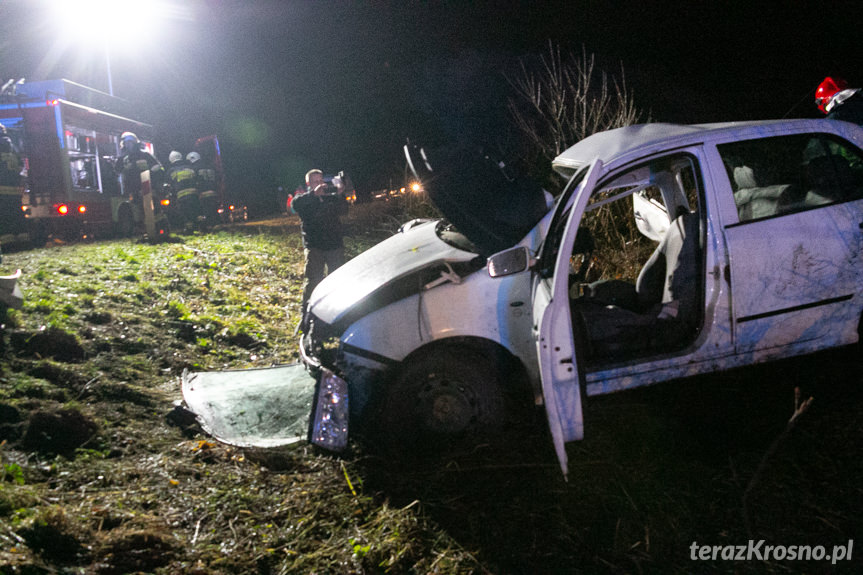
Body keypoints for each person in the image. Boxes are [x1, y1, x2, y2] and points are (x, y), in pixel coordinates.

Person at [291, 169, 349, 329]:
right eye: (315, 182)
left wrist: (340, 193)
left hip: (334, 245)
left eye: (321, 181)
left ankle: (338, 317)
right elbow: (295, 205)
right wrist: (314, 195)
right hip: (315, 246)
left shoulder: (331, 198)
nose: (320, 184)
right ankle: (306, 317)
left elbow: (344, 210)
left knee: (338, 281)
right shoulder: (304, 199)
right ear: (309, 184)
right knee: (312, 282)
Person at [114, 132, 164, 200]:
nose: (129, 145)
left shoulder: (145, 155)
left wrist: (152, 171)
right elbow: (117, 171)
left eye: (130, 142)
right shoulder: (122, 159)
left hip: (147, 187)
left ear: (135, 143)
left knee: (150, 207)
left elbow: (159, 169)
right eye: (127, 143)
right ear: (124, 144)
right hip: (132, 190)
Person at [167, 150, 200, 231]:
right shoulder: (190, 167)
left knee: (186, 214)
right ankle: (201, 227)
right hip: (194, 194)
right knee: (196, 211)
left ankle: (189, 229)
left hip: (182, 196)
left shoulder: (171, 171)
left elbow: (169, 184)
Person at [194, 152, 220, 227]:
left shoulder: (196, 168)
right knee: (214, 209)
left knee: (206, 211)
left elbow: (195, 181)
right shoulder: (211, 167)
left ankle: (208, 226)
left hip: (203, 193)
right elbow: (218, 178)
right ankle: (217, 225)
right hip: (213, 192)